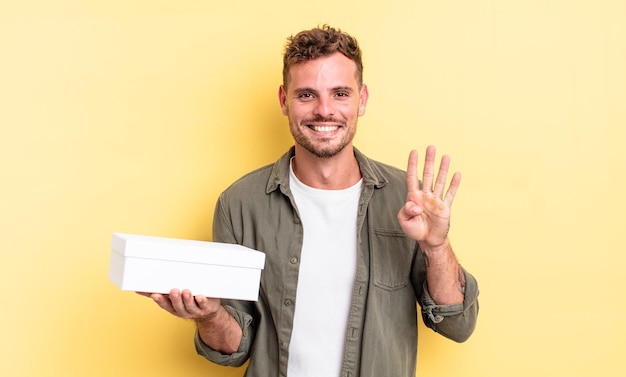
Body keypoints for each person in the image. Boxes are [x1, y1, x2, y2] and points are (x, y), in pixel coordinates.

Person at [142, 25, 479, 377]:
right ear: (284, 100)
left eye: (340, 94)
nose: (324, 110)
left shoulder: (405, 199)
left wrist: (436, 247)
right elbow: (233, 348)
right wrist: (210, 316)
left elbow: (458, 326)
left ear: (361, 99)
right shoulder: (240, 204)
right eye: (306, 95)